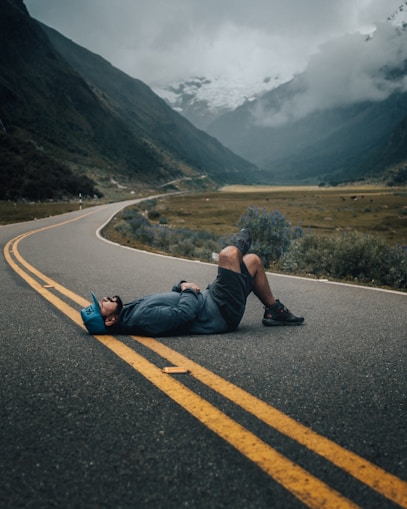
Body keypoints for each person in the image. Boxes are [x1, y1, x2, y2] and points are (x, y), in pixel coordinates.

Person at [81, 229, 304, 336]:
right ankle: (238, 245)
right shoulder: (140, 319)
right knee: (228, 255)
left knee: (253, 262)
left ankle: (274, 311)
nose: (103, 298)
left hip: (211, 298)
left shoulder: (129, 311)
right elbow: (182, 315)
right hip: (221, 311)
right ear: (109, 320)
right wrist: (188, 291)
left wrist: (181, 285)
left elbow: (173, 299)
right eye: (101, 305)